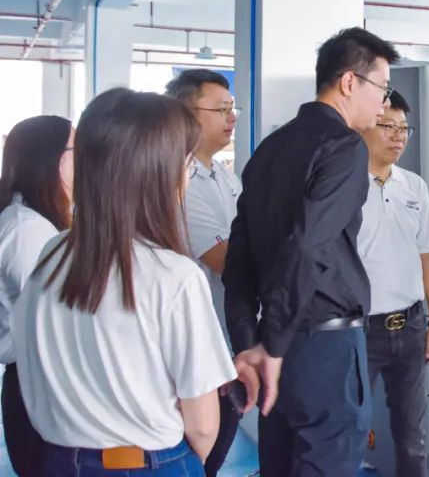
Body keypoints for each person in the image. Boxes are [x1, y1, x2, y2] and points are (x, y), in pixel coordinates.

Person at [13, 88, 253, 477]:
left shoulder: (53, 253)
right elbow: (203, 425)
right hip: (148, 462)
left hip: (60, 460)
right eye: (185, 164)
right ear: (159, 173)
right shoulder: (174, 275)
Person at [224, 27, 401, 476]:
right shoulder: (345, 147)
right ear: (349, 82)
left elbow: (239, 258)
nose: (384, 104)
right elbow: (308, 246)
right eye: (382, 88)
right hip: (325, 350)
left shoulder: (269, 149)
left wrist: (249, 344)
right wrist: (274, 345)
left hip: (273, 347)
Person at [357, 91, 429, 477]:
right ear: (363, 128)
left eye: (404, 128)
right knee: (349, 432)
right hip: (359, 330)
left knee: (413, 438)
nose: (398, 136)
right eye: (387, 126)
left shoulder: (414, 186)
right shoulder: (344, 187)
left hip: (410, 327)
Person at [165, 69, 242, 476]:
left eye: (233, 108)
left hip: (226, 337)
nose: (232, 117)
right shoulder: (183, 182)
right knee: (199, 452)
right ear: (187, 115)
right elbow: (226, 260)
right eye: (221, 109)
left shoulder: (224, 176)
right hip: (201, 348)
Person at [0, 115, 73, 476]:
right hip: (37, 380)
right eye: (78, 149)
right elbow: (55, 317)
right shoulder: (27, 229)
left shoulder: (39, 222)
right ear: (51, 159)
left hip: (40, 378)